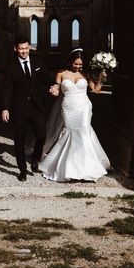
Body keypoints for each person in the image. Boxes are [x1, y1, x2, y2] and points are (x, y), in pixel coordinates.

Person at [38, 48, 111, 182]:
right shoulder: (61, 73)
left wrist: (101, 78)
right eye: (76, 64)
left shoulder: (85, 74)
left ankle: (87, 169)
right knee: (69, 132)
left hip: (84, 107)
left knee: (83, 133)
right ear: (71, 61)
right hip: (68, 107)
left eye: (80, 65)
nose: (78, 67)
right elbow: (57, 87)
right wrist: (54, 89)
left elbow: (96, 90)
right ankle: (67, 167)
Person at [1, 37, 58, 181]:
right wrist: (5, 108)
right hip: (19, 108)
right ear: (16, 49)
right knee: (19, 140)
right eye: (21, 49)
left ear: (30, 48)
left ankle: (35, 158)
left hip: (37, 107)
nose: (24, 51)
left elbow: (47, 78)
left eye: (26, 48)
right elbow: (6, 89)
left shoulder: (39, 62)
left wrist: (54, 85)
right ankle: (22, 170)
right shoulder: (10, 67)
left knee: (41, 135)